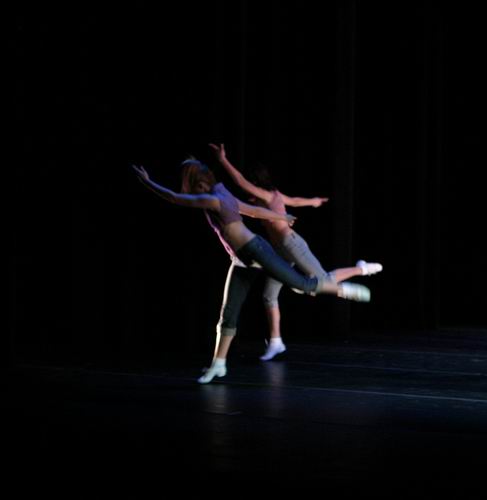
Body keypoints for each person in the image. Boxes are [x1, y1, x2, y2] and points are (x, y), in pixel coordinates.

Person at [132, 159, 371, 383]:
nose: (198, 189)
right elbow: (253, 211)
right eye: (197, 185)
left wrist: (147, 182)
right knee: (229, 312)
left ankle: (343, 290)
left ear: (200, 182)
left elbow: (174, 198)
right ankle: (218, 364)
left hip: (256, 249)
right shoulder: (221, 193)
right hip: (240, 259)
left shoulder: (213, 199)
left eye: (197, 184)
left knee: (302, 285)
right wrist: (280, 215)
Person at [210, 143, 383, 361]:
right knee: (269, 295)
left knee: (319, 283)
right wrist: (314, 202)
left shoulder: (268, 195)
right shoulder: (269, 196)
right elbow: (295, 201)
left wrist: (223, 160)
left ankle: (360, 269)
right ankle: (276, 342)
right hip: (280, 250)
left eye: (250, 183)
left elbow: (240, 182)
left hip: (292, 245)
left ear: (255, 181)